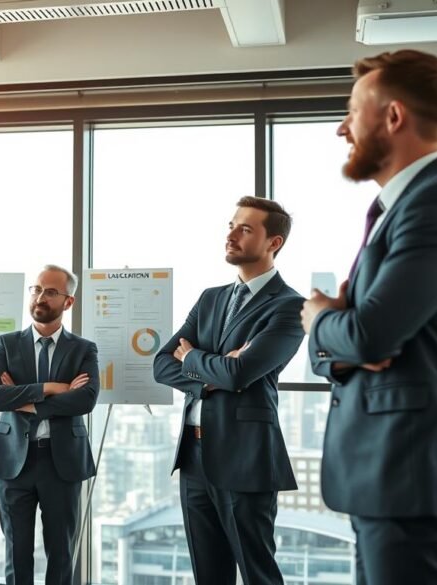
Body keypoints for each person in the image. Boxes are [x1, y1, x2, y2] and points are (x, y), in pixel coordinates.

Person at [300, 49, 437, 585]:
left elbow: (368, 335)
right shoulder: (404, 208)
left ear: (392, 117)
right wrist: (344, 342)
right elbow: (361, 345)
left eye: (352, 111)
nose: (342, 128)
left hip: (415, 473)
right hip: (390, 475)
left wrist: (318, 316)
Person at [154, 196, 304, 585]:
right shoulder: (210, 298)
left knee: (258, 573)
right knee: (209, 575)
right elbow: (161, 364)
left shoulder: (289, 307)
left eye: (246, 229)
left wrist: (194, 358)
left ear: (274, 242)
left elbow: (240, 374)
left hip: (246, 456)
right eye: (231, 225)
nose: (231, 234)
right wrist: (212, 369)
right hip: (194, 456)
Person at [0, 264, 99, 585]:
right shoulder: (6, 344)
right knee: (17, 553)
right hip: (13, 461)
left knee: (61, 554)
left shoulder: (83, 349)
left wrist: (21, 399)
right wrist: (50, 388)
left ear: (68, 302)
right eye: (36, 289)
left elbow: (84, 400)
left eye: (50, 292)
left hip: (61, 462)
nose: (40, 297)